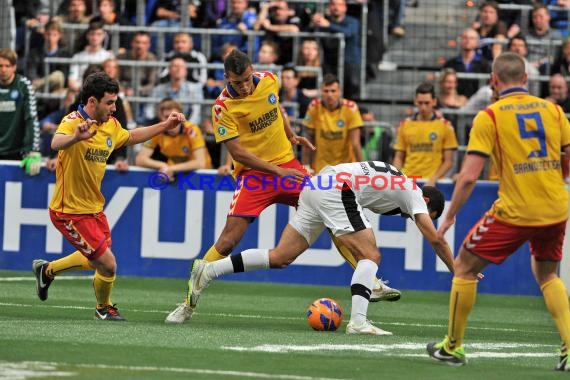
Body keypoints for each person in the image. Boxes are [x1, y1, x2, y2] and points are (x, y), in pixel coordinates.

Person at [164, 50, 398, 324]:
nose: (244, 86)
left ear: (253, 71)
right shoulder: (222, 108)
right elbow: (238, 153)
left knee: (330, 209)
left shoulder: (269, 80)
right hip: (255, 175)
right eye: (237, 82)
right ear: (226, 77)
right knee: (229, 240)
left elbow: (276, 109)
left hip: (288, 165)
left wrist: (290, 133)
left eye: (247, 79)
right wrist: (279, 172)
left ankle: (370, 279)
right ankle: (189, 301)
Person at [172, 161, 455, 334]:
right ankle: (359, 321)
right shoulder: (416, 195)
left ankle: (207, 271)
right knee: (370, 255)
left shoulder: (399, 180)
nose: (412, 219)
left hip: (318, 183)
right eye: (421, 216)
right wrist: (458, 271)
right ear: (428, 203)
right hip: (337, 189)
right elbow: (435, 239)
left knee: (281, 256)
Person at [427, 52, 570, 369]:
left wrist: (449, 215)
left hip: (517, 209)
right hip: (556, 207)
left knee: (463, 266)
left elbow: (469, 176)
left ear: (493, 81)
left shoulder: (489, 116)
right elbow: (568, 157)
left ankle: (453, 346)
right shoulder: (554, 111)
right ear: (526, 80)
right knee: (547, 274)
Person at [32, 72, 187, 321]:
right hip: (68, 210)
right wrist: (76, 137)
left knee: (97, 260)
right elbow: (56, 143)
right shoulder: (73, 121)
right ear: (92, 101)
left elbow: (131, 136)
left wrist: (164, 126)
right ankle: (103, 308)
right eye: (110, 103)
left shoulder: (111, 125)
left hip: (94, 207)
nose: (115, 108)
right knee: (108, 264)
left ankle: (46, 271)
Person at [393, 82, 458, 187]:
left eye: (427, 103)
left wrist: (434, 178)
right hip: (409, 180)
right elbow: (399, 157)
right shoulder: (404, 125)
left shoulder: (445, 126)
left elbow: (449, 161)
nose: (423, 107)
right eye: (420, 103)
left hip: (433, 182)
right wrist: (397, 176)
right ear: (415, 101)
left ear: (434, 102)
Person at [302, 74, 364, 174]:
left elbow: (355, 143)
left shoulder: (351, 108)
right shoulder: (314, 107)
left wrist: (363, 169)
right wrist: (306, 166)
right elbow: (308, 139)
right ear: (321, 92)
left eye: (333, 91)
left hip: (346, 168)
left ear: (339, 92)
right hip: (320, 168)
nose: (329, 94)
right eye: (326, 91)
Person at [135, 98, 212, 178]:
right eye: (166, 117)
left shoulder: (192, 130)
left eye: (175, 116)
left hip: (200, 174)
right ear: (161, 118)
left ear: (181, 116)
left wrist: (171, 168)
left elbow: (200, 163)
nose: (172, 120)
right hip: (175, 172)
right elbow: (140, 159)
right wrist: (163, 165)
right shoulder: (157, 130)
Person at [0, 48, 41, 176]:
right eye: (0, 66)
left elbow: (31, 118)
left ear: (14, 67)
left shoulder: (24, 86)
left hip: (17, 152)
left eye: (7, 66)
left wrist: (33, 150)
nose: (3, 70)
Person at [443, 28, 491, 98]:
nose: (468, 41)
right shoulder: (450, 64)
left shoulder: (485, 65)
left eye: (472, 38)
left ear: (477, 42)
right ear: (460, 40)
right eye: (465, 38)